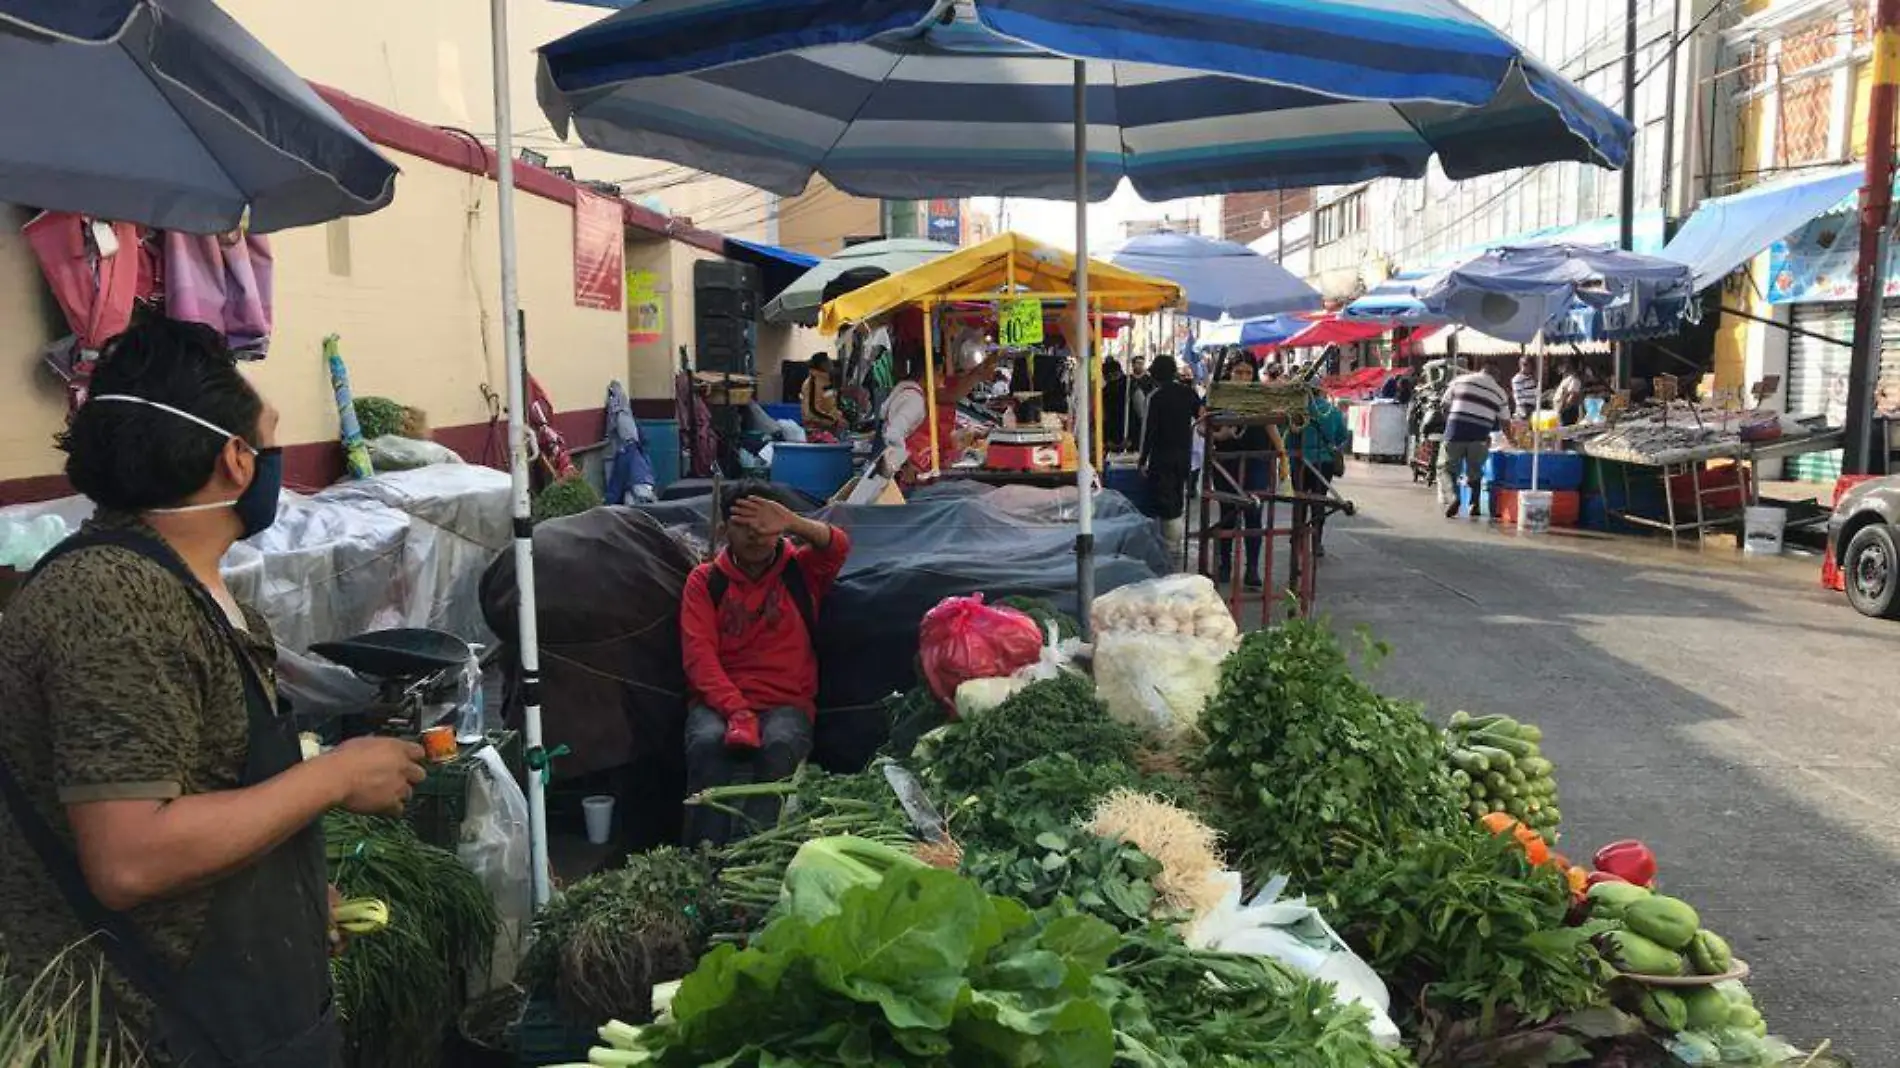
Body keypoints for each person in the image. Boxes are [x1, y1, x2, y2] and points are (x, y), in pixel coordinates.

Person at [0, 317, 428, 1066]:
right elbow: (129, 858)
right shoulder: (111, 601)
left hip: (231, 1011)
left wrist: (296, 899)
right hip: (144, 1031)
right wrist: (334, 775)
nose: (273, 457)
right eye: (269, 436)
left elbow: (211, 781)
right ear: (236, 459)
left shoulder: (189, 589)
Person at [679, 483, 850, 847]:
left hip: (786, 704)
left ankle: (753, 854)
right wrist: (737, 710)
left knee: (780, 746)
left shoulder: (801, 571)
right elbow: (699, 658)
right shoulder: (705, 582)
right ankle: (702, 859)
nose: (756, 534)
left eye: (766, 524)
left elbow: (837, 546)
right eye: (744, 525)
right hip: (719, 704)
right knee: (707, 743)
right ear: (725, 531)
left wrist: (794, 522)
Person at [876, 342, 996, 486]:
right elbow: (893, 434)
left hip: (918, 473)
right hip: (906, 482)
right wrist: (906, 466)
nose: (941, 380)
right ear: (928, 372)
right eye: (939, 373)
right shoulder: (913, 399)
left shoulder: (915, 394)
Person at [1207, 358, 1269, 587]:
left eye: (1248, 373)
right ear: (1229, 373)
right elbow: (1203, 427)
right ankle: (1225, 564)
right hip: (1226, 462)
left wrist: (1282, 455)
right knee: (1228, 513)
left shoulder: (1261, 395)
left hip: (1257, 460)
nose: (1243, 377)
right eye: (1238, 372)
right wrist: (1220, 435)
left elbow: (1272, 424)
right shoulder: (1218, 394)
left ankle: (1252, 568)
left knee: (1254, 513)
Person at [1139, 355, 1202, 562]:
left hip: (1161, 457)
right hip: (1184, 456)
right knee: (1177, 497)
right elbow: (1203, 416)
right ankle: (1174, 546)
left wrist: (1142, 460)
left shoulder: (1156, 397)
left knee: (1166, 503)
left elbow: (1150, 432)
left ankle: (1170, 549)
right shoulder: (1188, 392)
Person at [1439, 363, 1511, 519]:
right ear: (1495, 377)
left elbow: (1444, 405)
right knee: (1475, 470)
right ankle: (1474, 504)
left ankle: (1453, 498)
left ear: (1481, 370)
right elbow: (1505, 422)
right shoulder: (1500, 392)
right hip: (1480, 435)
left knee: (1446, 468)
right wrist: (1512, 440)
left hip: (1455, 432)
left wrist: (1450, 424)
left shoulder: (1460, 381)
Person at [1295, 388, 1352, 557]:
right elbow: (1342, 435)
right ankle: (1316, 542)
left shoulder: (1296, 411)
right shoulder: (1331, 411)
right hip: (1324, 462)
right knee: (1319, 502)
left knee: (1299, 500)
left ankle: (1297, 538)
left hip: (1299, 461)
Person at [800, 352, 847, 435]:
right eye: (828, 360)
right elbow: (812, 411)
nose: (831, 362)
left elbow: (828, 405)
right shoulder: (812, 383)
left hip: (828, 427)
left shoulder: (824, 381)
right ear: (823, 364)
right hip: (817, 429)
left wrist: (838, 417)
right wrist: (834, 420)